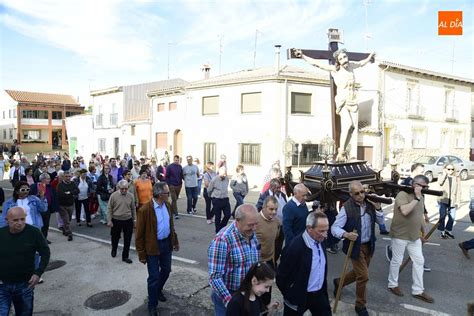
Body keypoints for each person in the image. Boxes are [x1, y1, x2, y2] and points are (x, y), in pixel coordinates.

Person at [294, 48, 375, 161]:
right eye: (341, 58)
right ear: (338, 61)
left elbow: (362, 63)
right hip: (343, 102)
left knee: (352, 128)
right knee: (347, 124)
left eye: (344, 57)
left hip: (353, 101)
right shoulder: (335, 70)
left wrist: (369, 57)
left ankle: (343, 151)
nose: (343, 60)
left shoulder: (351, 66)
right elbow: (316, 64)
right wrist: (303, 56)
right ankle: (340, 151)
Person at [330, 180, 385, 316]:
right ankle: (360, 306)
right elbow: (334, 228)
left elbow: (381, 222)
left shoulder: (370, 204)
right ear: (351, 194)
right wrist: (346, 234)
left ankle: (338, 282)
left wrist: (378, 209)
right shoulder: (347, 207)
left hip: (369, 245)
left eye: (362, 192)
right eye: (357, 193)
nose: (361, 195)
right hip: (355, 247)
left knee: (359, 273)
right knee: (364, 276)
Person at [387, 175, 434, 303]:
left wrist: (423, 233)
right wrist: (417, 198)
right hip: (400, 235)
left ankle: (418, 290)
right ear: (415, 185)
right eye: (423, 187)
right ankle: (392, 284)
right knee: (397, 260)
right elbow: (405, 211)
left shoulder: (421, 196)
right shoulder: (402, 194)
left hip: (414, 236)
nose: (425, 189)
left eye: (426, 187)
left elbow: (419, 217)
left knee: (419, 261)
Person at [135, 182, 179, 316]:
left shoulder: (168, 206)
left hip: (166, 244)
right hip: (152, 246)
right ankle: (152, 305)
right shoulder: (145, 210)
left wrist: (175, 241)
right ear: (160, 195)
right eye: (167, 193)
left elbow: (171, 226)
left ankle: (157, 290)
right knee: (153, 277)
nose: (169, 195)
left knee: (166, 270)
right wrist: (141, 254)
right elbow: (139, 234)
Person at [276, 211, 332, 316]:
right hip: (298, 296)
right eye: (321, 231)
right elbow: (281, 276)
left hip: (319, 294)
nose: (325, 235)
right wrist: (290, 294)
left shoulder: (321, 239)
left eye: (326, 230)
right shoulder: (294, 247)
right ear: (309, 228)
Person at [208, 204, 260, 316]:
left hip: (246, 292)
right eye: (251, 225)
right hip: (229, 295)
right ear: (237, 221)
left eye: (256, 224)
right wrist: (231, 302)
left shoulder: (250, 232)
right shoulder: (223, 240)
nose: (255, 228)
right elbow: (214, 277)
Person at [0, 206, 51, 315]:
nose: (20, 223)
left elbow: (45, 253)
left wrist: (38, 273)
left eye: (22, 219)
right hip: (2, 286)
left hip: (25, 285)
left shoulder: (34, 232)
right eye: (15, 220)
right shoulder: (1, 234)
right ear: (7, 220)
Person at [255, 196, 280, 308]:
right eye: (271, 209)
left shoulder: (277, 222)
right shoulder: (255, 222)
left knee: (267, 292)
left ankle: (265, 310)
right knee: (255, 293)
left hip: (269, 262)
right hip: (256, 264)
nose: (274, 212)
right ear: (264, 207)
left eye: (276, 209)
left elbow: (275, 240)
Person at [256, 178, 287, 265]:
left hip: (279, 226)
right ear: (272, 187)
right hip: (260, 260)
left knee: (277, 246)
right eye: (277, 188)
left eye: (280, 187)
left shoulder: (282, 195)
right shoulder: (264, 196)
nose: (279, 189)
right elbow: (258, 207)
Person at [108, 180, 136, 264]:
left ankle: (125, 256)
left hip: (128, 220)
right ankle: (114, 249)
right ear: (119, 188)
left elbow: (133, 208)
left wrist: (134, 219)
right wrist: (109, 220)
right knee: (115, 237)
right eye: (122, 189)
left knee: (127, 239)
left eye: (126, 189)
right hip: (116, 220)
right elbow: (109, 208)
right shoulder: (113, 196)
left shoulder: (131, 196)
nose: (124, 190)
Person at [30, 173, 59, 243]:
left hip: (47, 209)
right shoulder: (34, 186)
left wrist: (55, 207)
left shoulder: (50, 187)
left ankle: (44, 239)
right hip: (37, 209)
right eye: (48, 179)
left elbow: (54, 197)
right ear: (43, 179)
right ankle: (36, 239)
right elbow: (30, 196)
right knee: (36, 225)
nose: (49, 180)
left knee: (46, 225)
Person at [437, 164, 460, 239]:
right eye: (448, 169)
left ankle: (448, 230)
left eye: (452, 169)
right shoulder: (441, 175)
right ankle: (442, 231)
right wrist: (444, 174)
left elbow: (459, 190)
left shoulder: (456, 178)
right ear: (445, 169)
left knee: (452, 217)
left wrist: (458, 201)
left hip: (452, 200)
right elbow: (440, 182)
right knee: (442, 216)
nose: (450, 171)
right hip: (443, 199)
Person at [56, 170, 79, 241]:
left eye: (69, 176)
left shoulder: (72, 183)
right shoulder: (60, 185)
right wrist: (70, 194)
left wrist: (69, 192)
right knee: (66, 220)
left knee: (68, 219)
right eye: (66, 176)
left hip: (71, 204)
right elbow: (61, 194)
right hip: (62, 205)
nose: (68, 178)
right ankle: (69, 234)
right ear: (63, 177)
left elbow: (77, 191)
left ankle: (64, 229)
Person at [208, 167, 231, 233]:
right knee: (218, 217)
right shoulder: (214, 180)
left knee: (227, 214)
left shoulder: (227, 179)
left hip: (225, 199)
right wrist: (212, 198)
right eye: (223, 174)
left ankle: (222, 227)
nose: (224, 176)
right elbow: (209, 190)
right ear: (219, 173)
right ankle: (218, 231)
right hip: (216, 199)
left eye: (225, 174)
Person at [166, 155, 183, 219]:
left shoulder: (180, 166)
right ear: (173, 160)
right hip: (172, 185)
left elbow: (181, 175)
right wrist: (169, 184)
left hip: (178, 185)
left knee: (175, 199)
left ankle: (170, 210)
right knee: (174, 199)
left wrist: (181, 183)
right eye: (176, 160)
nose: (177, 161)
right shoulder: (170, 167)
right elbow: (167, 176)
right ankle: (176, 213)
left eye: (178, 160)